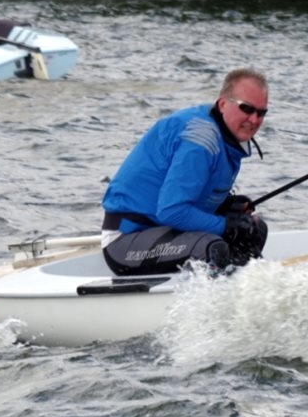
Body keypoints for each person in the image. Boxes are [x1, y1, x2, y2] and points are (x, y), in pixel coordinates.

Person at [101, 68, 270, 276]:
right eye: (247, 109)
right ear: (223, 104)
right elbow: (172, 212)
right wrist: (226, 226)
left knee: (255, 230)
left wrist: (226, 206)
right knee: (213, 247)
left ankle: (248, 282)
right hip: (126, 241)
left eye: (261, 113)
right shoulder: (200, 141)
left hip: (167, 232)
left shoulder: (226, 137)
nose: (254, 120)